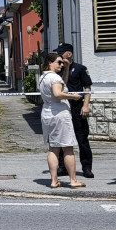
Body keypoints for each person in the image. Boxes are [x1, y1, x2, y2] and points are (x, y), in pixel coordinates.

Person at [38, 52, 86, 189]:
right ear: (49, 63)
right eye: (59, 62)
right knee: (68, 148)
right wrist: (73, 96)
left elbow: (62, 84)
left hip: (47, 113)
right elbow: (58, 93)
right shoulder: (53, 77)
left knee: (53, 148)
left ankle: (54, 181)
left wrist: (66, 69)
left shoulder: (44, 77)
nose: (61, 64)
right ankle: (73, 180)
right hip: (60, 114)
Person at [54, 43, 94, 178]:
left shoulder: (80, 69)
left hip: (77, 107)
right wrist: (64, 68)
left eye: (61, 53)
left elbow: (87, 89)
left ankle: (87, 167)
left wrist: (86, 105)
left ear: (69, 54)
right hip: (62, 107)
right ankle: (62, 166)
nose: (59, 56)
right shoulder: (58, 70)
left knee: (82, 138)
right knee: (61, 138)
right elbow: (62, 85)